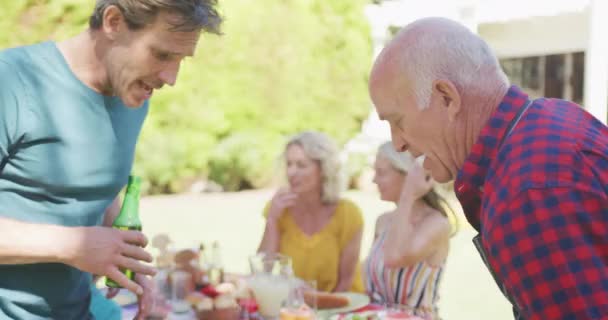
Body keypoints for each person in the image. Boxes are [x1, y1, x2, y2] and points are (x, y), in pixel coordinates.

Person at [369, 16, 608, 320]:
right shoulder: (549, 119)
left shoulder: (524, 193)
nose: (398, 143)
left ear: (447, 98)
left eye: (398, 121)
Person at [0, 1, 222, 319]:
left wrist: (125, 258)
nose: (171, 78)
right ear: (113, 21)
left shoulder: (132, 96)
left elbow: (94, 189)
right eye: (161, 54)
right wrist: (73, 245)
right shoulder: (11, 81)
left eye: (180, 60)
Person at [257, 131, 365, 293]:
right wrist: (272, 220)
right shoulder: (279, 209)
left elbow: (345, 282)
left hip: (341, 309)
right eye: (289, 164)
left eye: (301, 165)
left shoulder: (348, 214)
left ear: (323, 170)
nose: (291, 172)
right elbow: (262, 272)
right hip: (296, 310)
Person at [364, 142, 455, 319]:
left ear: (408, 175)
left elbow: (394, 258)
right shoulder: (382, 222)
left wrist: (408, 194)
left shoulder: (436, 224)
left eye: (381, 172)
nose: (374, 179)